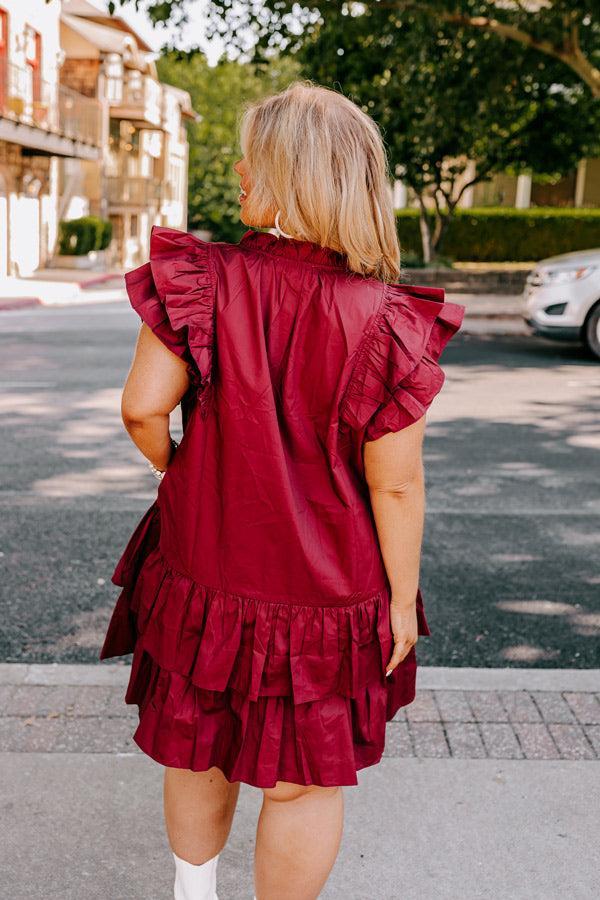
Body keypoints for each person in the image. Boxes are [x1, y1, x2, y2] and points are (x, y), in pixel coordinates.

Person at [99, 79, 465, 900]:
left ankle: (194, 896)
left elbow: (140, 407)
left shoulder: (200, 278)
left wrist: (175, 467)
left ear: (290, 176)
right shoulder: (388, 318)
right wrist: (401, 600)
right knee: (302, 780)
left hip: (207, 567)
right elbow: (397, 485)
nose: (234, 168)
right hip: (330, 591)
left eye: (250, 157)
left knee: (200, 747)